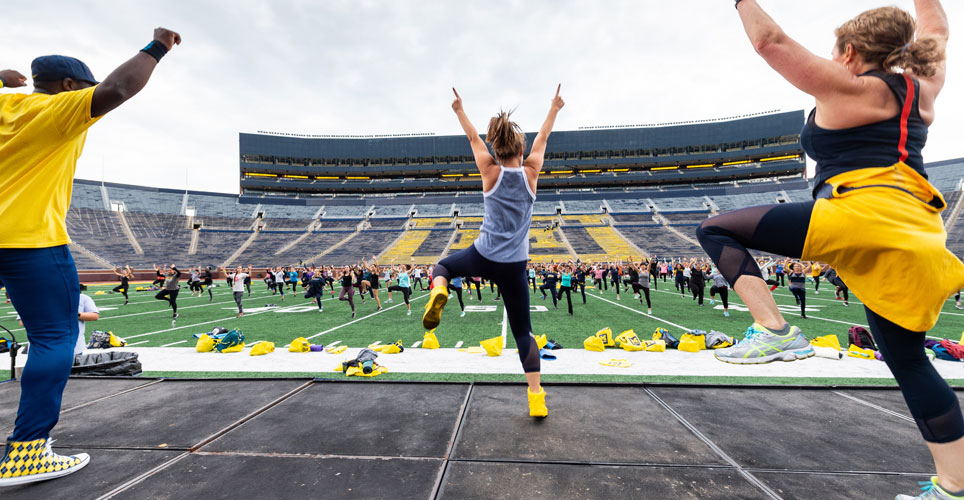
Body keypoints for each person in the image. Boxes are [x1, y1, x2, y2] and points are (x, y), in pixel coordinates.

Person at [696, 2, 963, 498]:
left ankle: (775, 330)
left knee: (715, 230)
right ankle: (954, 485)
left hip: (860, 216)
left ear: (850, 52)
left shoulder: (850, 85)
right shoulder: (924, 87)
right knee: (908, 361)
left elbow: (770, 43)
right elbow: (938, 29)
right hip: (920, 232)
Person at [0, 27, 180, 487]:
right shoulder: (56, 108)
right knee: (54, 337)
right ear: (66, 86)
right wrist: (158, 46)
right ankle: (26, 452)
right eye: (83, 88)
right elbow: (118, 89)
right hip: (26, 237)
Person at [423, 85, 564, 418]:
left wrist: (459, 110)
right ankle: (536, 398)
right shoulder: (531, 174)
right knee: (522, 332)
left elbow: (474, 139)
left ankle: (440, 292)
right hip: (514, 264)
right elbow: (543, 137)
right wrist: (555, 108)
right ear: (520, 148)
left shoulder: (490, 172)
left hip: (483, 255)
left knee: (442, 267)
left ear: (496, 149)